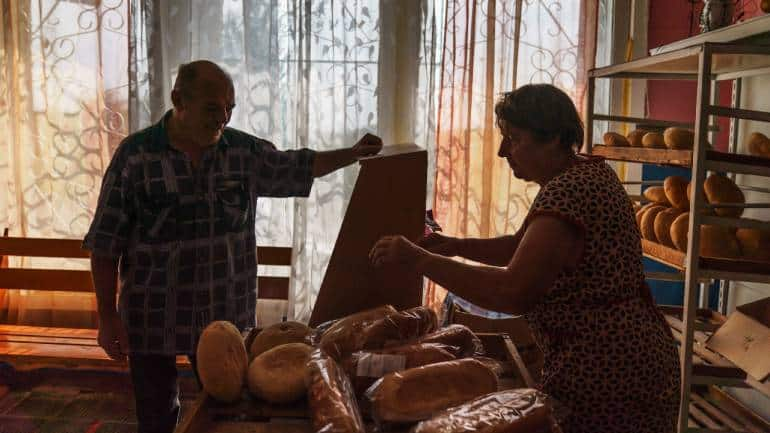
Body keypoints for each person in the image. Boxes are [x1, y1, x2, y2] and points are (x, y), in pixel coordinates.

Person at [83, 60, 382, 433]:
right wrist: (108, 318)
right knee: (156, 415)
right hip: (152, 317)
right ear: (179, 100)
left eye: (230, 108)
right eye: (213, 108)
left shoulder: (243, 152)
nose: (222, 118)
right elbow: (105, 244)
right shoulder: (135, 156)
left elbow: (298, 166)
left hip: (222, 317)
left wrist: (352, 153)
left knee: (227, 415)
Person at [370, 84, 680, 433]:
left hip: (609, 370)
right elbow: (521, 247)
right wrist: (454, 245)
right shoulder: (581, 174)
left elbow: (513, 291)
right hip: (624, 357)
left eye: (514, 138)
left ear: (552, 139)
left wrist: (419, 261)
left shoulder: (570, 191)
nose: (504, 151)